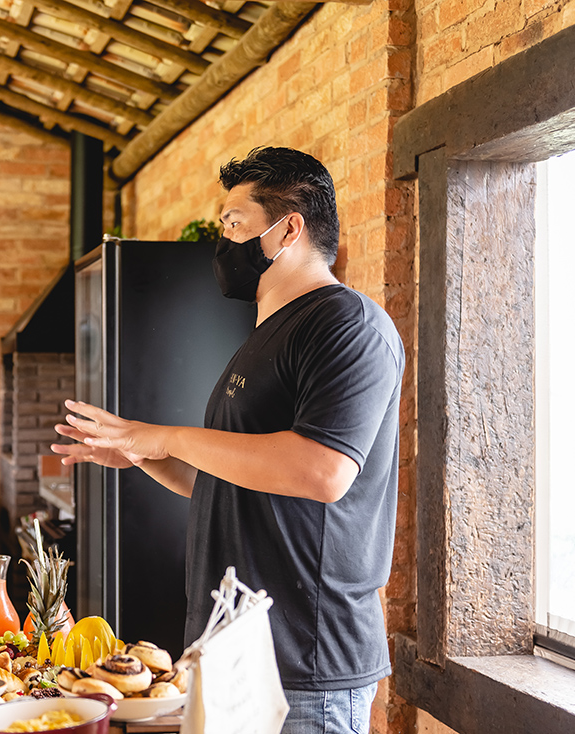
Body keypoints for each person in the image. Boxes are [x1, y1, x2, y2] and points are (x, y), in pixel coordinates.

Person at [51, 147, 404, 734]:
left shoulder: (348, 326)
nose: (223, 240)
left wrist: (165, 434)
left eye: (234, 222)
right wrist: (141, 454)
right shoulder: (263, 335)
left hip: (303, 666)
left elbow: (322, 472)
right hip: (227, 653)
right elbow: (222, 483)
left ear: (288, 229)